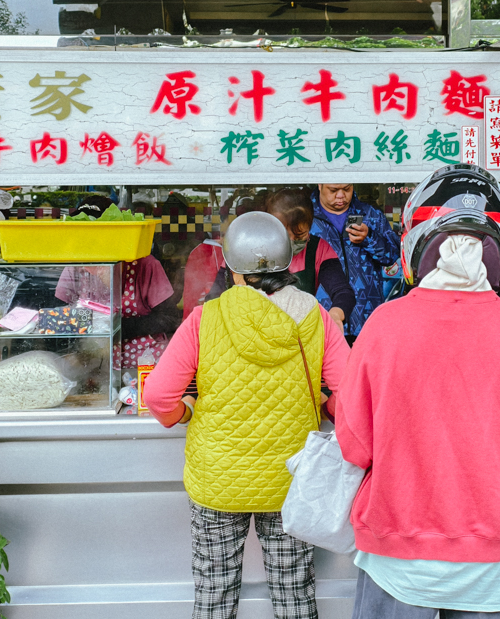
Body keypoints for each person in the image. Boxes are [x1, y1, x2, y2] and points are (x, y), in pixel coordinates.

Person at [336, 164, 500, 619]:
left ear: (415, 243)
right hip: (496, 556)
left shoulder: (384, 326)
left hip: (398, 555)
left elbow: (354, 444)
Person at [143, 211, 350, 619]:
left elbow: (159, 395)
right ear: (290, 263)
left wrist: (182, 413)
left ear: (231, 268)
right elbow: (351, 396)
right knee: (293, 591)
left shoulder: (206, 319)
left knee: (215, 589)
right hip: (290, 478)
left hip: (217, 479)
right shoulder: (317, 318)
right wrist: (324, 406)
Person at [54, 196, 179, 366]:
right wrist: (88, 340)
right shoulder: (75, 267)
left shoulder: (145, 264)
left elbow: (169, 317)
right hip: (94, 360)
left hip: (144, 358)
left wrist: (116, 327)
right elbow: (57, 315)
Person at [310, 184, 400, 344]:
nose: (340, 196)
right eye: (333, 190)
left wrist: (369, 238)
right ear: (320, 185)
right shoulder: (307, 216)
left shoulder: (370, 215)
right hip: (322, 317)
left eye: (346, 189)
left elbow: (392, 256)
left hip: (366, 317)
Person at [266, 187, 356, 327]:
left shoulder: (318, 249)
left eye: (299, 235)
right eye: (283, 235)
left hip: (301, 332)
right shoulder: (252, 247)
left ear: (309, 228)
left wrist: (335, 316)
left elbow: (343, 292)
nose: (290, 241)